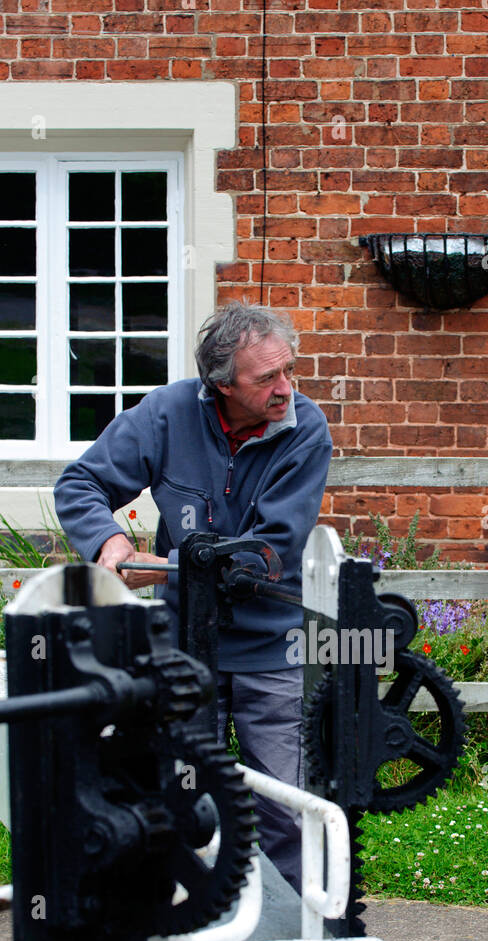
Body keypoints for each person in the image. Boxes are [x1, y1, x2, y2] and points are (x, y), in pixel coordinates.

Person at [54, 301, 334, 895]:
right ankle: (186, 925)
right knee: (180, 791)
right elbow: (81, 483)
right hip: (185, 644)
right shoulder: (167, 414)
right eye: (267, 379)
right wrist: (107, 542)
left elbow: (269, 549)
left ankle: (300, 938)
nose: (286, 388)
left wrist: (158, 569)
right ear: (221, 385)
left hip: (271, 647)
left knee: (285, 804)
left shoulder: (305, 429)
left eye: (290, 370)